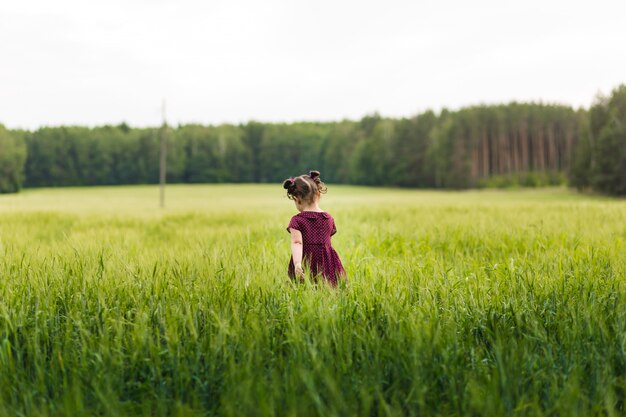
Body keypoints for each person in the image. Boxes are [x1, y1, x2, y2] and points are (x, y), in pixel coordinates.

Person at [283, 170, 346, 286]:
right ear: (318, 194)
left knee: (303, 291)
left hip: (307, 261)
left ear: (297, 199)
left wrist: (297, 264)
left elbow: (297, 243)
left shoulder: (297, 220)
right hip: (328, 262)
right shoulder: (328, 218)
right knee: (328, 289)